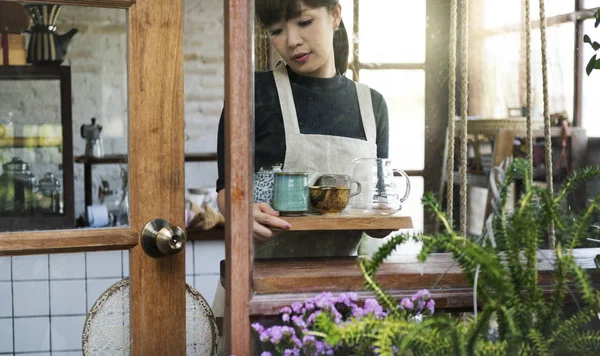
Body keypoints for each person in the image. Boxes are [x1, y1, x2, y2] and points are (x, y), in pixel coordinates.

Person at [212, 0, 389, 353]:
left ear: (335, 15)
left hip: (345, 300)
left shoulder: (372, 105)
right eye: (276, 30)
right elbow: (224, 190)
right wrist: (239, 212)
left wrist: (383, 216)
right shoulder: (251, 94)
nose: (291, 40)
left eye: (304, 22)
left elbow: (377, 217)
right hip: (260, 293)